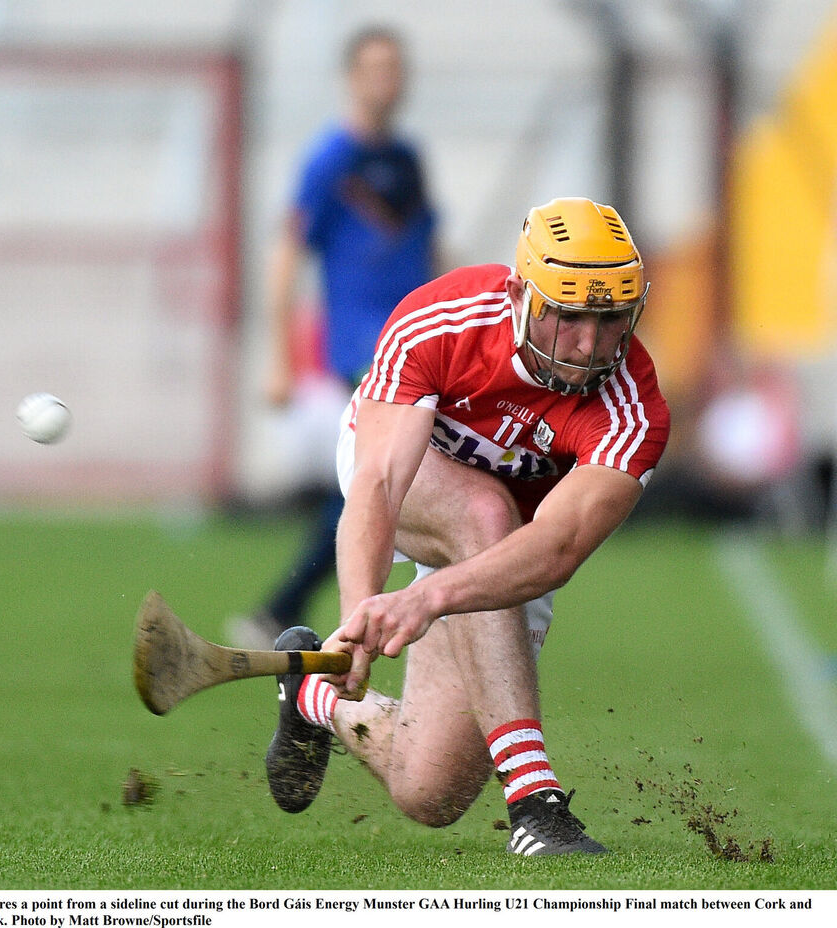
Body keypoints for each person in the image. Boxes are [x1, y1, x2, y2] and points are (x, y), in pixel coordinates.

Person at [265, 197, 671, 855]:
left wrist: (431, 596)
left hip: (515, 546)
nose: (589, 344)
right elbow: (378, 484)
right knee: (485, 512)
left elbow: (557, 545)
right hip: (405, 475)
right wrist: (358, 620)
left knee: (431, 791)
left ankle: (312, 696)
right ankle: (536, 804)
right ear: (520, 295)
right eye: (566, 316)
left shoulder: (634, 412)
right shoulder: (438, 321)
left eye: (610, 319)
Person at [228, 25, 440, 650]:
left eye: (395, 68)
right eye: (374, 68)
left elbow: (426, 246)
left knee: (375, 478)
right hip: (364, 345)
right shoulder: (330, 161)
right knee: (382, 472)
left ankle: (285, 609)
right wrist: (277, 361)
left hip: (417, 336)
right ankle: (304, 608)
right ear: (350, 78)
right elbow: (288, 251)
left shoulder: (406, 161)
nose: (387, 80)